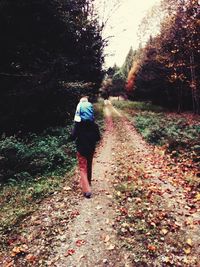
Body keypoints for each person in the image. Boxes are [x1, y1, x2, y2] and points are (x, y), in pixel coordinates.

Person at [70, 96, 100, 198]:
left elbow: (73, 137)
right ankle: (89, 183)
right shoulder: (94, 125)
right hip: (91, 148)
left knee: (83, 168)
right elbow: (98, 138)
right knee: (89, 165)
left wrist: (71, 136)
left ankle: (87, 191)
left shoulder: (77, 125)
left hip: (81, 148)